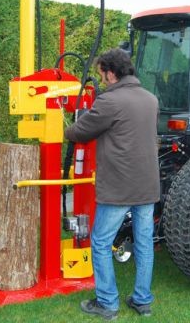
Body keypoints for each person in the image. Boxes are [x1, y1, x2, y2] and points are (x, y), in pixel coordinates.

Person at [65, 48, 160, 320]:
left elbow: (80, 131)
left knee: (101, 241)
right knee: (144, 242)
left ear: (110, 72)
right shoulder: (150, 99)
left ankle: (107, 303)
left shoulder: (110, 101)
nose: (102, 79)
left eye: (102, 74)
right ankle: (142, 300)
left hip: (120, 186)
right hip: (147, 185)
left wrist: (69, 126)